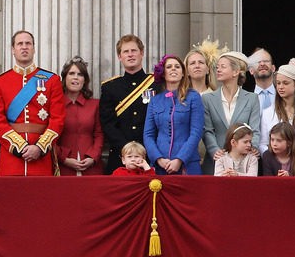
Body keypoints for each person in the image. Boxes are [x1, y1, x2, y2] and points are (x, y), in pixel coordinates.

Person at [0, 30, 65, 176]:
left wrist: (40, 147)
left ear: (34, 48)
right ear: (13, 49)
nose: (24, 47)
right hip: (11, 159)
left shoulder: (52, 80)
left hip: (41, 158)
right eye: (20, 44)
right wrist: (19, 146)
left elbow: (58, 119)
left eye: (28, 43)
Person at [99, 34, 160, 174]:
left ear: (142, 53)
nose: (130, 55)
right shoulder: (110, 87)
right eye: (126, 51)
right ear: (120, 57)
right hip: (120, 156)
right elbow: (107, 123)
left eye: (134, 51)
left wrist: (145, 149)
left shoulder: (156, 84)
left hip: (150, 154)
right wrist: (127, 150)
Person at [201, 51, 261, 175]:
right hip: (215, 161)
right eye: (217, 67)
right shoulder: (207, 99)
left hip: (244, 161)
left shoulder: (252, 98)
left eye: (223, 66)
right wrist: (215, 150)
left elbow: (255, 129)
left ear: (236, 72)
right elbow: (207, 130)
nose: (218, 70)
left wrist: (251, 146)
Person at [143, 54, 204, 175]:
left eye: (177, 66)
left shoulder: (193, 97)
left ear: (183, 73)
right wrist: (158, 158)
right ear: (163, 73)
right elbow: (148, 134)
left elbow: (196, 132)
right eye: (169, 67)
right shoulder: (155, 100)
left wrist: (180, 159)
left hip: (188, 164)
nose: (173, 69)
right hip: (161, 166)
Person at [259, 59, 295, 174]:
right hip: (275, 171)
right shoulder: (268, 113)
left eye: (285, 83)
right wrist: (276, 157)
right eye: (278, 83)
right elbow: (262, 144)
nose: (280, 87)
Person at [55, 56, 103, 176]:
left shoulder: (95, 105)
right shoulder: (55, 105)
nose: (76, 77)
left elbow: (99, 134)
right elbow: (50, 136)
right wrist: (64, 158)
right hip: (63, 167)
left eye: (80, 74)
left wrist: (92, 157)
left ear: (85, 80)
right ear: (65, 78)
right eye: (71, 73)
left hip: (91, 167)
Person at [246, 47, 276, 111]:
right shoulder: (244, 98)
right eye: (258, 62)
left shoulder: (284, 94)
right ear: (251, 70)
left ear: (273, 68)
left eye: (266, 61)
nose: (262, 64)